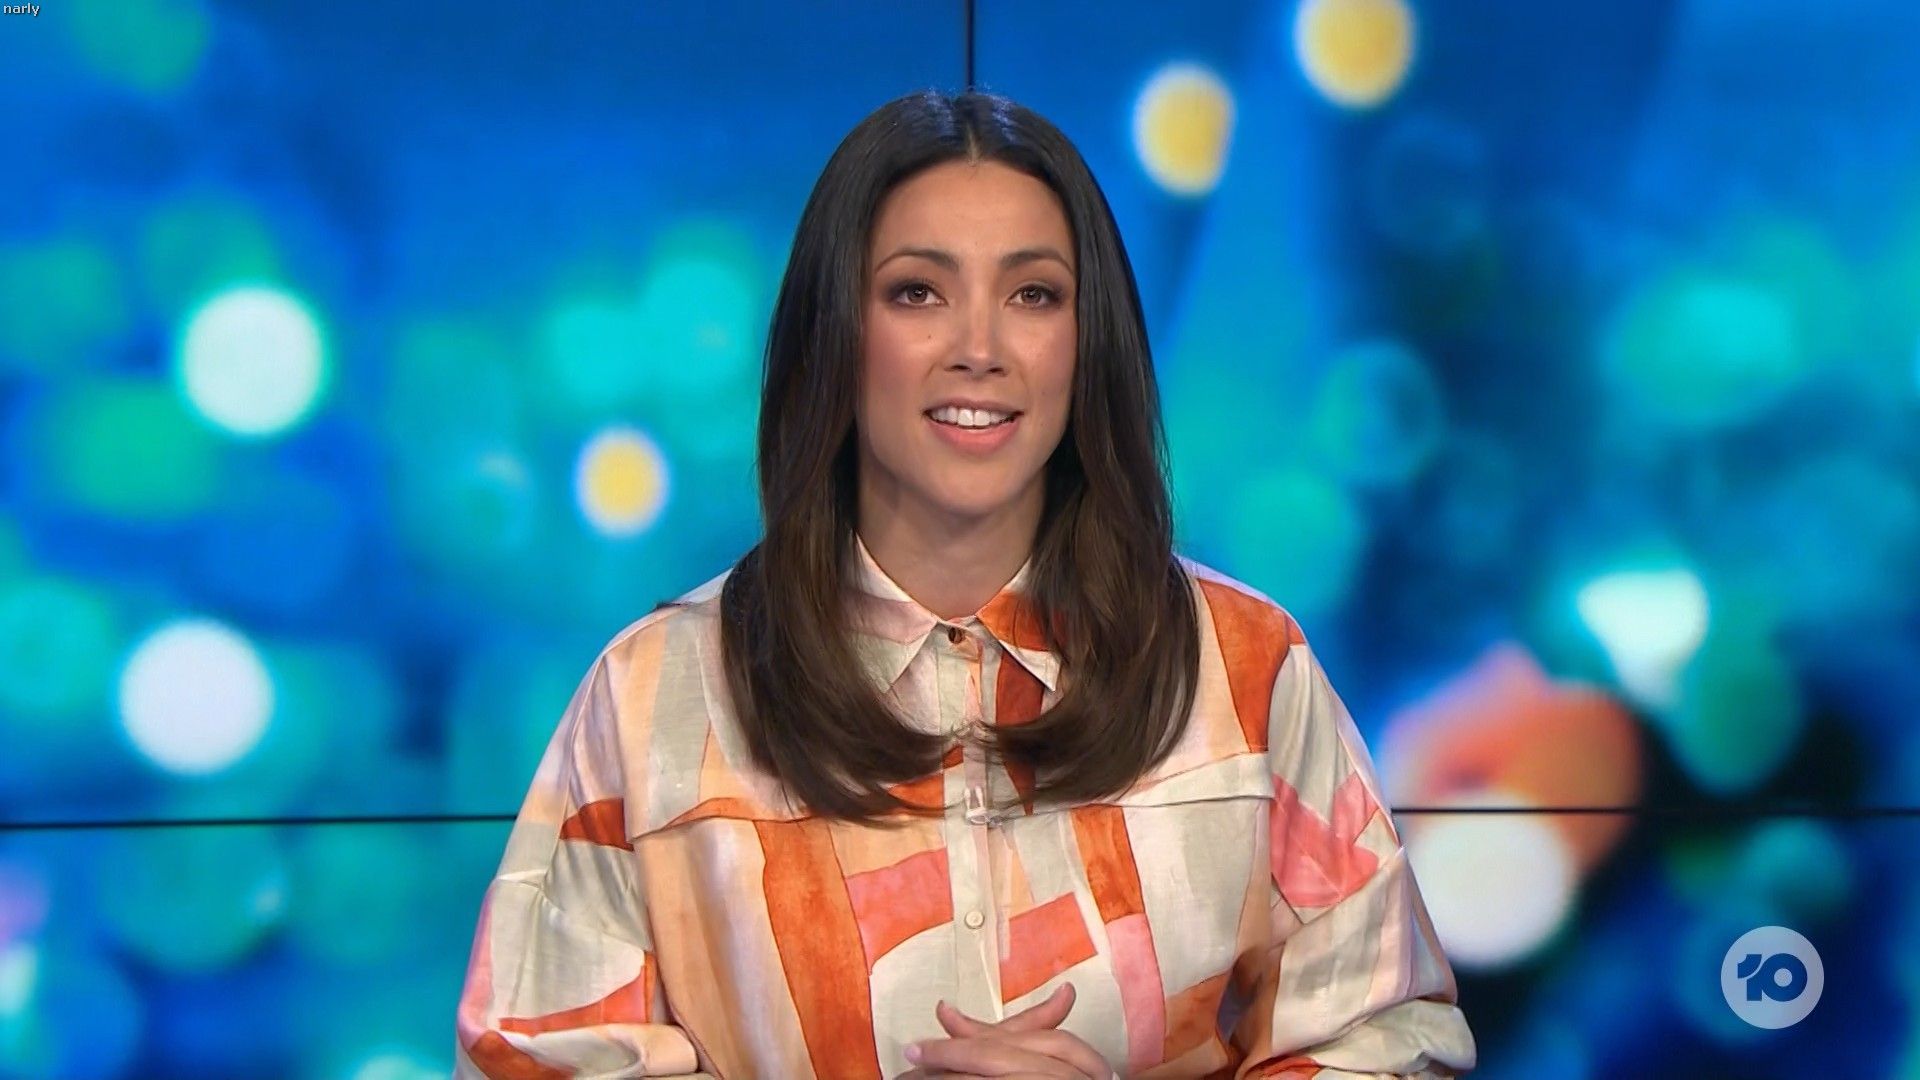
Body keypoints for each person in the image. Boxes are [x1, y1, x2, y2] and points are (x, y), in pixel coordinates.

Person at [454, 88, 1476, 1079]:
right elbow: (530, 1063)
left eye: (1034, 295)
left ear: (1089, 343)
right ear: (835, 333)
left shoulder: (1245, 669)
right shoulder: (654, 693)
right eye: (917, 293)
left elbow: (1388, 1042)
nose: (980, 350)